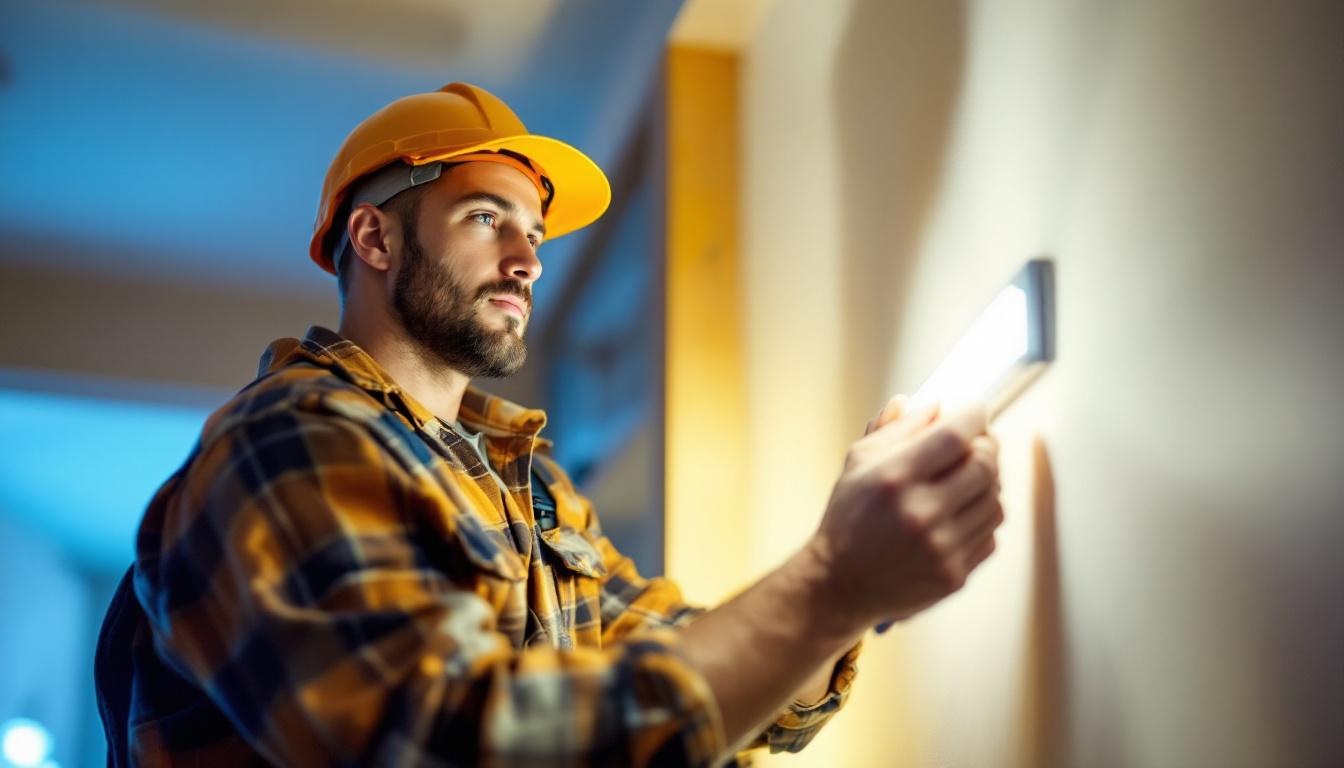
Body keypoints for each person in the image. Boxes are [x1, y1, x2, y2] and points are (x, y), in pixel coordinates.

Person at [94, 83, 1003, 767]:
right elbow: (439, 744)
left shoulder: (522, 484)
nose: (528, 259)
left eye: (533, 231)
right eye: (486, 218)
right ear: (373, 241)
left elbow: (697, 676)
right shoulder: (286, 445)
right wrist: (836, 582)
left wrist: (858, 586)